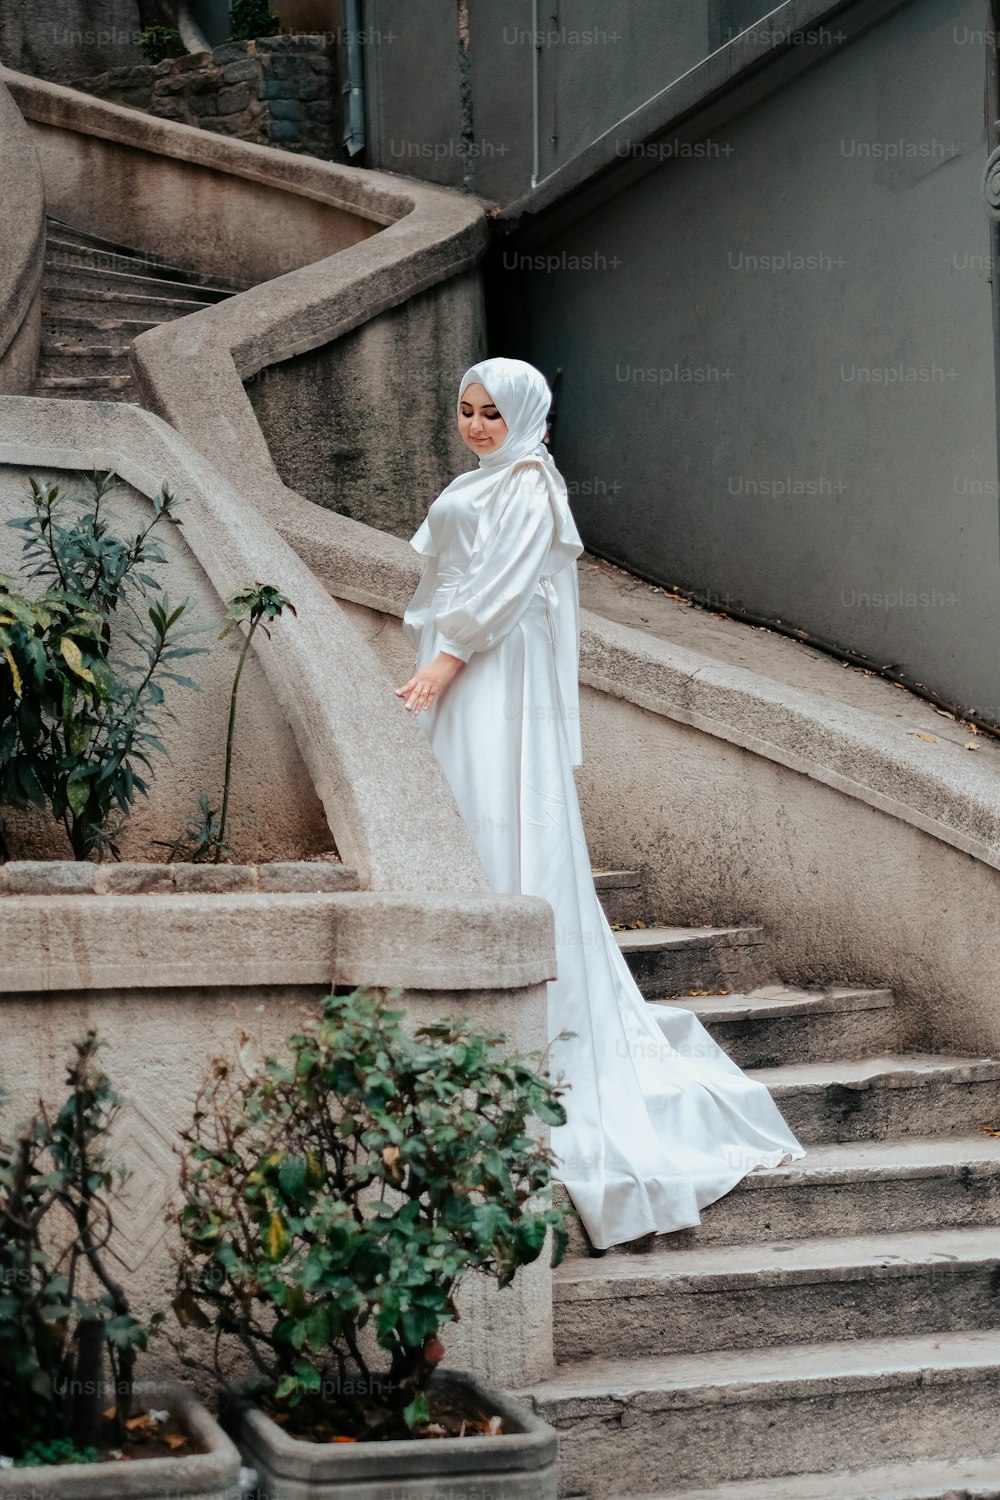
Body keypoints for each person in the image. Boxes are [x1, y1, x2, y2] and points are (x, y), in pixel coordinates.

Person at [395, 356, 805, 1251]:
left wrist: (444, 660)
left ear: (526, 418)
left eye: (491, 414)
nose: (475, 426)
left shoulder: (532, 487)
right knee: (462, 810)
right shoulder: (483, 482)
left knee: (510, 814)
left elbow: (499, 594)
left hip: (498, 676)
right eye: (466, 411)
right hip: (467, 678)